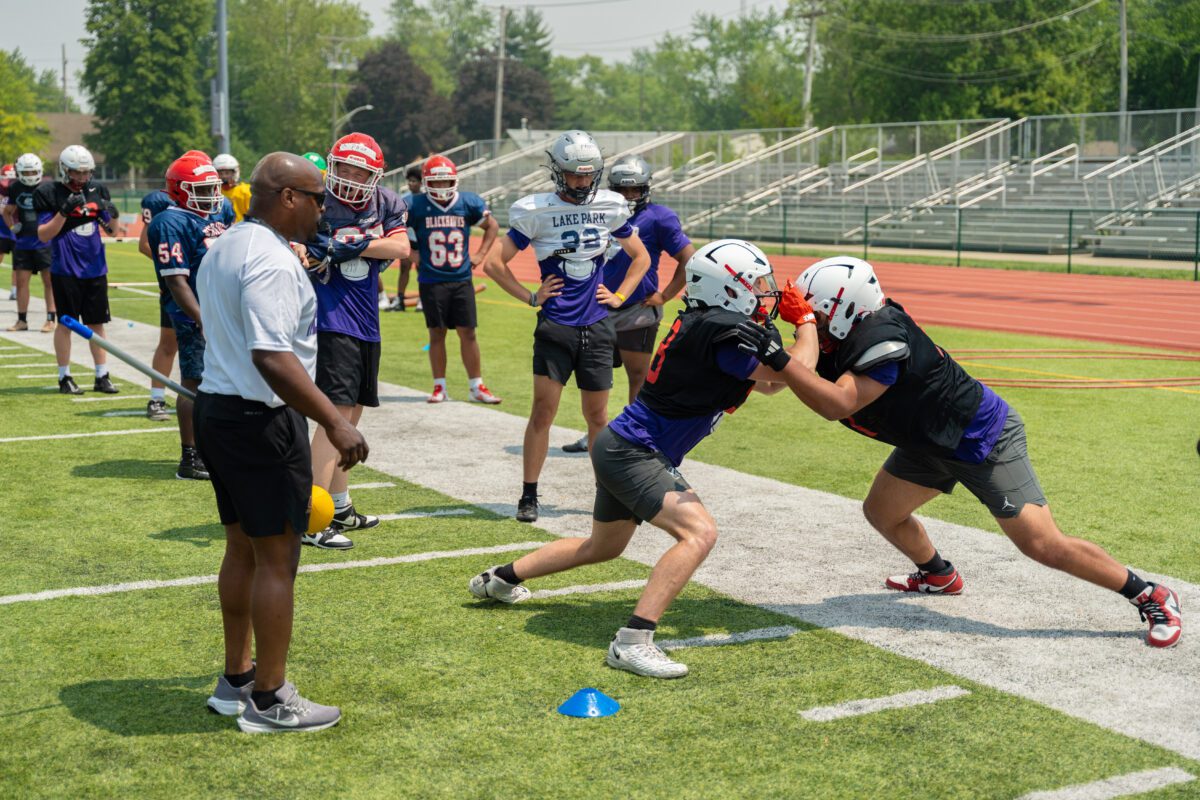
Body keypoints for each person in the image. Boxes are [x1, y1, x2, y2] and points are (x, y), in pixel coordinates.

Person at [733, 255, 1183, 649]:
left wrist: (796, 338)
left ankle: (1150, 594)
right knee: (882, 511)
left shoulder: (883, 340)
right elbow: (782, 380)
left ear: (843, 310)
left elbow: (837, 404)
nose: (808, 318)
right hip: (927, 439)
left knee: (1042, 544)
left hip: (980, 439)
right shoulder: (846, 329)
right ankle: (938, 574)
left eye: (816, 312)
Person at [471, 239, 796, 678]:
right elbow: (795, 374)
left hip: (621, 444)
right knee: (699, 533)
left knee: (603, 546)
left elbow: (775, 384)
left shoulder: (710, 327)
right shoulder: (721, 331)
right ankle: (632, 641)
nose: (764, 293)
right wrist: (809, 323)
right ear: (727, 287)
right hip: (633, 451)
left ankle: (501, 578)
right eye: (756, 284)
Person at [196, 151, 368, 733]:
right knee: (277, 558)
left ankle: (237, 678)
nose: (326, 207)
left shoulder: (225, 245)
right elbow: (272, 357)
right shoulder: (269, 260)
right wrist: (335, 421)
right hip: (258, 420)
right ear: (289, 197)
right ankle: (269, 699)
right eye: (319, 197)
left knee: (241, 547)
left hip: (219, 411)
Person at [484, 130, 651, 523]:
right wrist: (531, 296)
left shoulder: (609, 205)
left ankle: (604, 494)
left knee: (598, 417)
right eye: (574, 175)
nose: (581, 182)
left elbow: (640, 257)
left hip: (596, 326)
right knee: (543, 413)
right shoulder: (536, 210)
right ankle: (529, 495)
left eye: (587, 175)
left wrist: (622, 295)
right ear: (558, 172)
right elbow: (493, 264)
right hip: (556, 325)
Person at [300, 132, 410, 550]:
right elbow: (301, 249)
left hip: (365, 320)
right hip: (331, 319)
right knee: (335, 418)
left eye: (358, 169)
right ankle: (309, 516)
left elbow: (400, 247)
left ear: (373, 173)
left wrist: (356, 243)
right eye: (342, 166)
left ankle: (338, 503)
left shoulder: (386, 201)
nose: (348, 176)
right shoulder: (316, 199)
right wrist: (325, 247)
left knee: (350, 418)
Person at [562, 155, 695, 453]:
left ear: (646, 188)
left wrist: (666, 294)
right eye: (622, 190)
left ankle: (634, 436)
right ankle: (596, 432)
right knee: (596, 377)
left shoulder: (659, 217)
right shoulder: (598, 210)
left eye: (635, 190)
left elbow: (689, 258)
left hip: (637, 310)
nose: (628, 196)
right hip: (597, 308)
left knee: (637, 376)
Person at [147, 151, 235, 480]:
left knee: (221, 384)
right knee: (194, 384)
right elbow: (176, 280)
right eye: (203, 189)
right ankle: (190, 456)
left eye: (214, 188)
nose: (213, 195)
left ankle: (213, 448)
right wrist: (203, 319)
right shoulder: (170, 221)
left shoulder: (212, 215)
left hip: (219, 309)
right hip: (194, 315)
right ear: (180, 191)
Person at [406, 154, 501, 404]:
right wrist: (410, 251)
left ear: (454, 181)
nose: (440, 187)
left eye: (445, 182)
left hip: (461, 278)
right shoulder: (415, 205)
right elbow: (393, 228)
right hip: (431, 278)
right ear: (427, 182)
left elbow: (492, 225)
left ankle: (476, 386)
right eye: (435, 183)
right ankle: (440, 387)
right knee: (436, 333)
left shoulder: (467, 202)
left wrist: (480, 254)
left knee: (468, 332)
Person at [34, 144, 120, 395]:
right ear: (64, 170)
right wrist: (64, 211)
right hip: (65, 268)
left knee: (97, 324)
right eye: (76, 172)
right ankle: (65, 376)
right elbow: (43, 235)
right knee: (66, 323)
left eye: (86, 172)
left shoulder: (97, 190)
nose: (81, 178)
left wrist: (112, 215)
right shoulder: (50, 192)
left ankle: (102, 375)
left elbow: (112, 231)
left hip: (95, 267)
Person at [3, 155, 57, 333]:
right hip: (24, 241)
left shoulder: (49, 187)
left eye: (33, 171)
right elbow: (7, 211)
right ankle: (22, 320)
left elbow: (60, 212)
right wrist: (12, 227)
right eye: (26, 172)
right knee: (21, 282)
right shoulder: (16, 187)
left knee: (49, 281)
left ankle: (51, 318)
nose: (30, 174)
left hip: (45, 242)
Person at [385, 164, 425, 312]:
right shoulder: (404, 199)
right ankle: (399, 299)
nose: (411, 184)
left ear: (421, 182)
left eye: (414, 181)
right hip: (408, 239)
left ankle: (423, 299)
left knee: (421, 270)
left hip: (421, 240)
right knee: (404, 269)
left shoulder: (425, 199)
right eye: (409, 181)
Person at [213, 153, 252, 222]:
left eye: (227, 173)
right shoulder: (213, 192)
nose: (224, 176)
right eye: (220, 173)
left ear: (235, 173)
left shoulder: (246, 191)